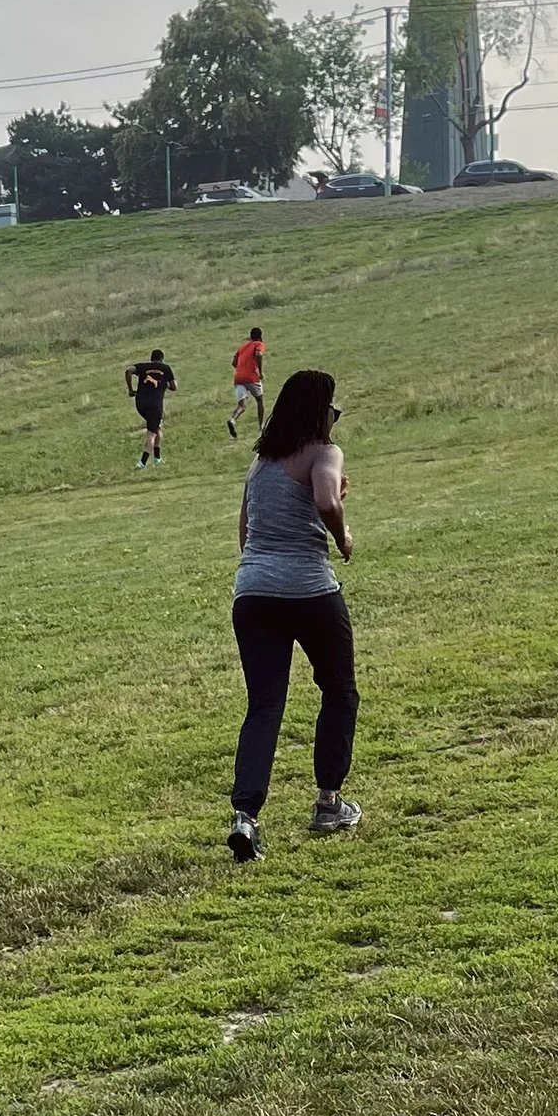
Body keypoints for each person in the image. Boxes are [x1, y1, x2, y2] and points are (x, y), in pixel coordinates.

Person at [226, 368, 359, 862]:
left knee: (264, 707)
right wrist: (341, 535)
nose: (335, 415)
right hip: (309, 590)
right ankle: (328, 801)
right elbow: (324, 497)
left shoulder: (259, 464)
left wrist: (262, 568)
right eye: (333, 407)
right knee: (339, 690)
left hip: (253, 592)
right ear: (319, 411)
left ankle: (246, 817)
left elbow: (245, 530)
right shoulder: (325, 452)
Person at [126, 346, 176, 467]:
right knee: (151, 433)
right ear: (162, 359)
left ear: (151, 359)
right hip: (155, 405)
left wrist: (131, 390)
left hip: (141, 404)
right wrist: (163, 384)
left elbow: (128, 371)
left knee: (157, 429)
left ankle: (157, 459)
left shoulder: (143, 367)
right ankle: (142, 463)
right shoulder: (165, 368)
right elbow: (174, 386)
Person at [227, 324, 266, 439]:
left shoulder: (243, 347)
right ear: (260, 336)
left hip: (238, 378)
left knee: (241, 405)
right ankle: (261, 427)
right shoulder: (259, 344)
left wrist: (241, 370)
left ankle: (232, 420)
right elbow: (259, 354)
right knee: (260, 400)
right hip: (251, 377)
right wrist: (260, 371)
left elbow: (233, 362)